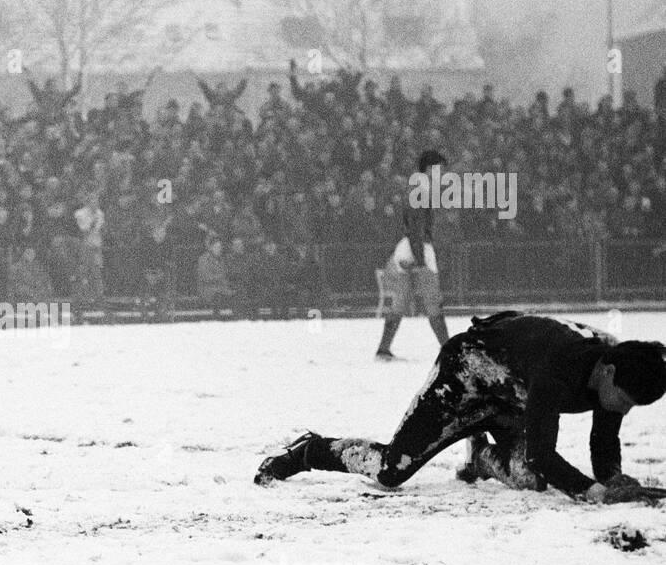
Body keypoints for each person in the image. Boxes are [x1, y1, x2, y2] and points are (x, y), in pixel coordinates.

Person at [256, 311, 666, 503]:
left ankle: (483, 456)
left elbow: (603, 437)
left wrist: (613, 478)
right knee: (391, 471)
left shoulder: (618, 366)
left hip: (511, 394)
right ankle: (311, 450)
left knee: (531, 481)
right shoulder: (558, 368)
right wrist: (591, 491)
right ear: (608, 373)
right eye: (624, 400)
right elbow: (543, 452)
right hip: (464, 379)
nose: (622, 410)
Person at [376, 149, 450, 359]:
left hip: (408, 247)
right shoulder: (422, 190)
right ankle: (447, 348)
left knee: (399, 303)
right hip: (417, 248)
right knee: (433, 302)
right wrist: (420, 259)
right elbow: (417, 227)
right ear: (429, 169)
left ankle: (383, 349)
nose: (443, 174)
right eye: (440, 169)